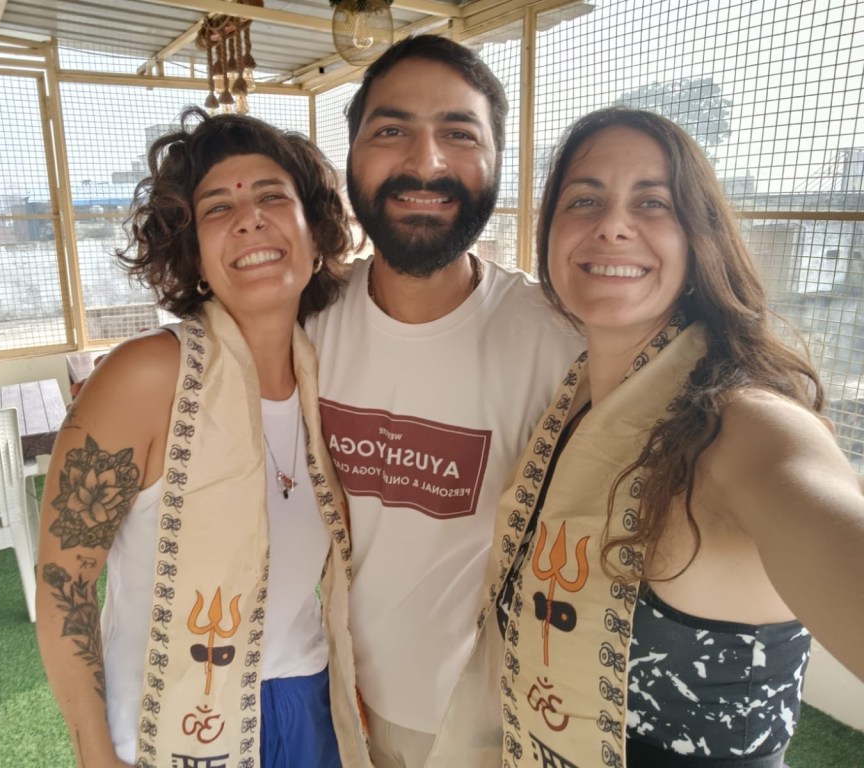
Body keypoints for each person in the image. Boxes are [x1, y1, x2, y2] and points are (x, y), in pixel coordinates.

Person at [480, 107, 864, 767]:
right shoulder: (573, 403)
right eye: (584, 200)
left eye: (653, 202)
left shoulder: (743, 426)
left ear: (698, 238)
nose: (612, 225)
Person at [35, 108, 371, 768]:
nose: (249, 219)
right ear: (192, 254)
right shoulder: (146, 376)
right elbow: (62, 586)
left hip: (307, 702)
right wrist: (95, 756)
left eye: (273, 197)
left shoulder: (331, 374)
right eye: (218, 207)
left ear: (315, 233)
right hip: (171, 721)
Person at [304, 34, 581, 767]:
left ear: (496, 161)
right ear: (351, 158)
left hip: (485, 721)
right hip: (327, 695)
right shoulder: (305, 326)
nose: (425, 163)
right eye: (390, 130)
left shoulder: (559, 342)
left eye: (459, 134)